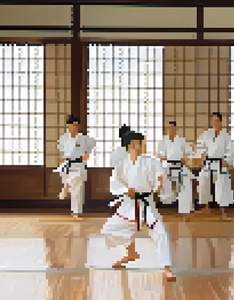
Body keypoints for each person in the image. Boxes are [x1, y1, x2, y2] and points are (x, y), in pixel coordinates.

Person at [101, 125, 176, 282]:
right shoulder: (123, 163)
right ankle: (131, 252)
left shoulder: (151, 162)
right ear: (132, 145)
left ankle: (166, 268)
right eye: (142, 143)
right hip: (128, 205)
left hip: (146, 204)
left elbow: (159, 175)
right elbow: (115, 182)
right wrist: (125, 189)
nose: (144, 146)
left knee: (160, 232)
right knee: (109, 229)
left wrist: (160, 184)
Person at [195, 112, 234, 221]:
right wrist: (202, 154)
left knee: (222, 186)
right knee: (203, 181)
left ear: (221, 122)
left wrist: (226, 161)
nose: (215, 123)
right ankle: (206, 207)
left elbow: (232, 151)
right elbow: (200, 145)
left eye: (217, 121)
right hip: (208, 163)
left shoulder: (225, 136)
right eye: (213, 121)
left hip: (220, 164)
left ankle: (223, 212)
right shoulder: (207, 134)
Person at [54, 115, 96, 220]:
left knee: (77, 189)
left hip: (78, 165)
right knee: (69, 183)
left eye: (76, 125)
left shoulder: (83, 138)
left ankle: (76, 212)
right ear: (68, 126)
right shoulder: (64, 138)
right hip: (68, 164)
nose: (74, 128)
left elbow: (91, 145)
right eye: (72, 126)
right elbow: (61, 150)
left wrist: (86, 153)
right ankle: (66, 186)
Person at [157, 121, 195, 221]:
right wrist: (161, 157)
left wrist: (185, 158)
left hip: (180, 165)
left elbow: (190, 152)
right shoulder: (164, 141)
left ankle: (186, 213)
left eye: (172, 128)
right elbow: (160, 154)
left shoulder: (181, 140)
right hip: (167, 166)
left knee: (186, 185)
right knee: (162, 183)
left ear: (175, 129)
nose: (170, 130)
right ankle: (163, 207)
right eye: (168, 128)